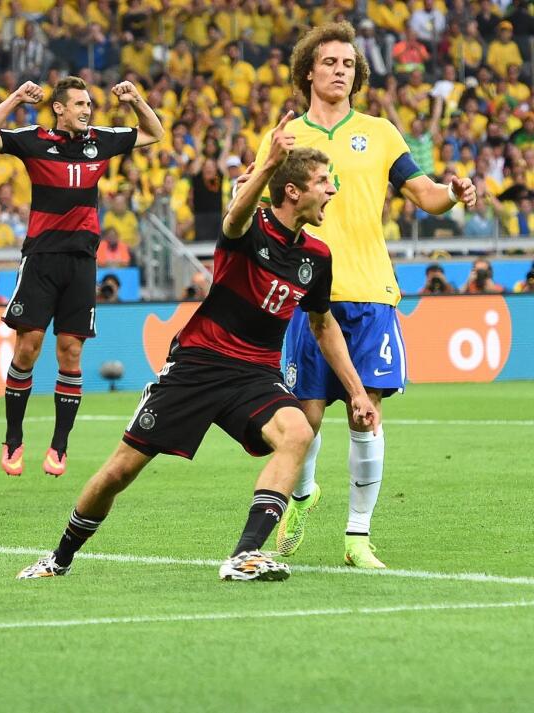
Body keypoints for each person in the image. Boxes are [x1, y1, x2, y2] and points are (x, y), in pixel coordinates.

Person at [17, 125, 379, 582]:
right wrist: (267, 163)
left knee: (298, 433)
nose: (332, 189)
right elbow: (234, 217)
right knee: (119, 471)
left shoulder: (317, 256)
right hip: (198, 365)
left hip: (255, 374)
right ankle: (59, 557)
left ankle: (245, 555)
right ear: (292, 190)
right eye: (325, 181)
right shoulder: (248, 230)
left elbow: (323, 326)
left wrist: (358, 392)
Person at [253, 22, 476, 568]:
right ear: (309, 70)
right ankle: (303, 497)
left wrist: (453, 191)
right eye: (330, 62)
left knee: (365, 414)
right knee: (302, 425)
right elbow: (251, 206)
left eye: (349, 64)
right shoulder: (284, 137)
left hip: (370, 292)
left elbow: (423, 193)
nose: (340, 71)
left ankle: (357, 537)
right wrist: (265, 162)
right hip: (306, 297)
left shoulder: (379, 133)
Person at [0, 76, 164, 478]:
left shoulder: (102, 139)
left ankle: (59, 446)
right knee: (28, 347)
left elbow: (154, 132)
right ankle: (13, 438)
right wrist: (16, 98)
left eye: (89, 104)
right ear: (59, 108)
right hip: (41, 259)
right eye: (79, 104)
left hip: (81, 262)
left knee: (71, 353)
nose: (86, 110)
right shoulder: (34, 139)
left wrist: (135, 98)